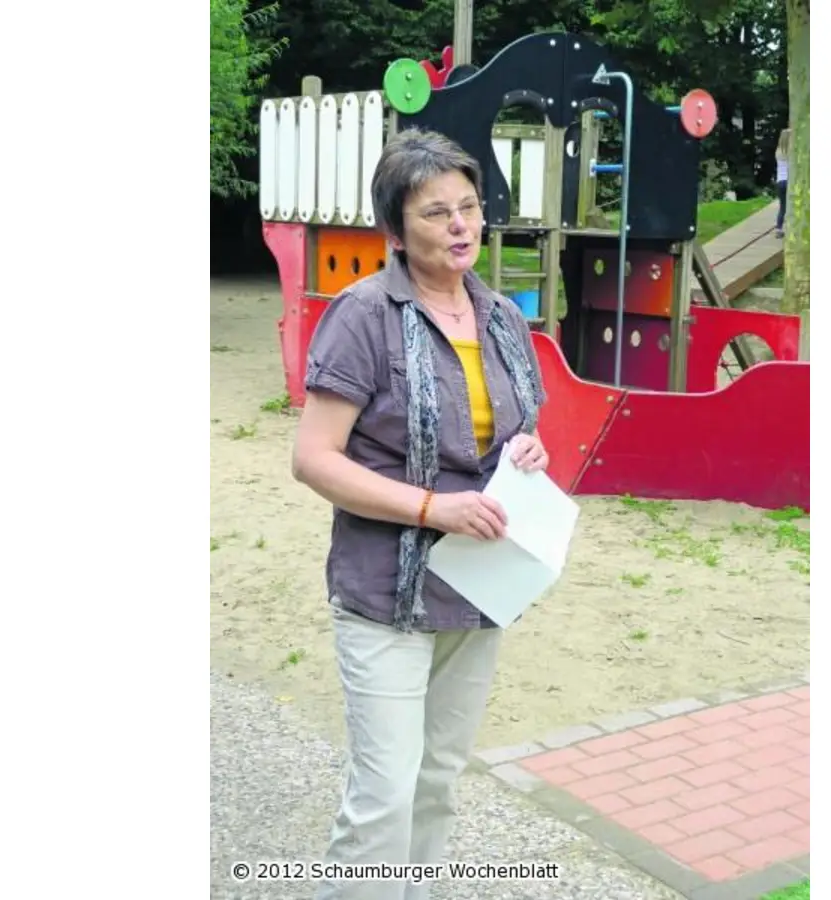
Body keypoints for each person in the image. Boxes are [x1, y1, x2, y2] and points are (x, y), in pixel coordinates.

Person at [290, 128, 550, 900]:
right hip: (385, 593)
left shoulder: (501, 314)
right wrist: (433, 507)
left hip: (477, 587)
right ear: (396, 228)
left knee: (437, 781)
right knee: (384, 800)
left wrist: (529, 452)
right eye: (436, 213)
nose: (461, 225)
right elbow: (315, 458)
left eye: (469, 207)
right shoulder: (363, 315)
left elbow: (517, 428)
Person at [774, 127, 791, 238]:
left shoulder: (778, 151)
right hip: (789, 181)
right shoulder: (791, 152)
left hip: (780, 181)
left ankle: (779, 229)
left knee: (783, 207)